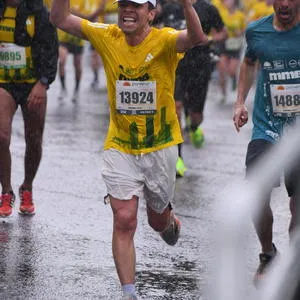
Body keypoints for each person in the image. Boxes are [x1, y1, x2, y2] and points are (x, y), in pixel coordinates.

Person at [50, 0, 208, 298]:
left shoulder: (165, 40)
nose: (128, 11)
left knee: (155, 220)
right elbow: (59, 18)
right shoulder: (107, 36)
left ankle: (169, 220)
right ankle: (128, 292)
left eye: (136, 6)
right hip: (120, 146)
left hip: (160, 146)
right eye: (123, 5)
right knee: (124, 219)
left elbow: (198, 38)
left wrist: (187, 5)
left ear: (152, 13)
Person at [233, 0, 300, 286]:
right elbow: (249, 63)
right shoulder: (256, 32)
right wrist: (239, 103)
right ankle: (268, 253)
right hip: (267, 128)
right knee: (256, 189)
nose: (284, 3)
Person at [0, 0, 58, 216]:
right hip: (4, 84)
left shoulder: (39, 12)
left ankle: (27, 187)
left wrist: (43, 83)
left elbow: (51, 49)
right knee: (1, 135)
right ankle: (6, 191)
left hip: (34, 84)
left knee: (33, 139)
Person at [161, 0, 227, 176]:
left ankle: (193, 124)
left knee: (196, 116)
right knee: (175, 109)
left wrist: (210, 39)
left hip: (200, 66)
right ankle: (178, 158)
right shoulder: (170, 8)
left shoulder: (207, 8)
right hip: (175, 67)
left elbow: (223, 32)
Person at [217, 0, 246, 103]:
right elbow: (216, 28)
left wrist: (240, 32)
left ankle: (234, 78)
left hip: (235, 45)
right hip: (223, 44)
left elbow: (244, 29)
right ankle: (223, 94)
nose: (227, 2)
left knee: (232, 70)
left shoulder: (240, 15)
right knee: (222, 70)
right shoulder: (221, 13)